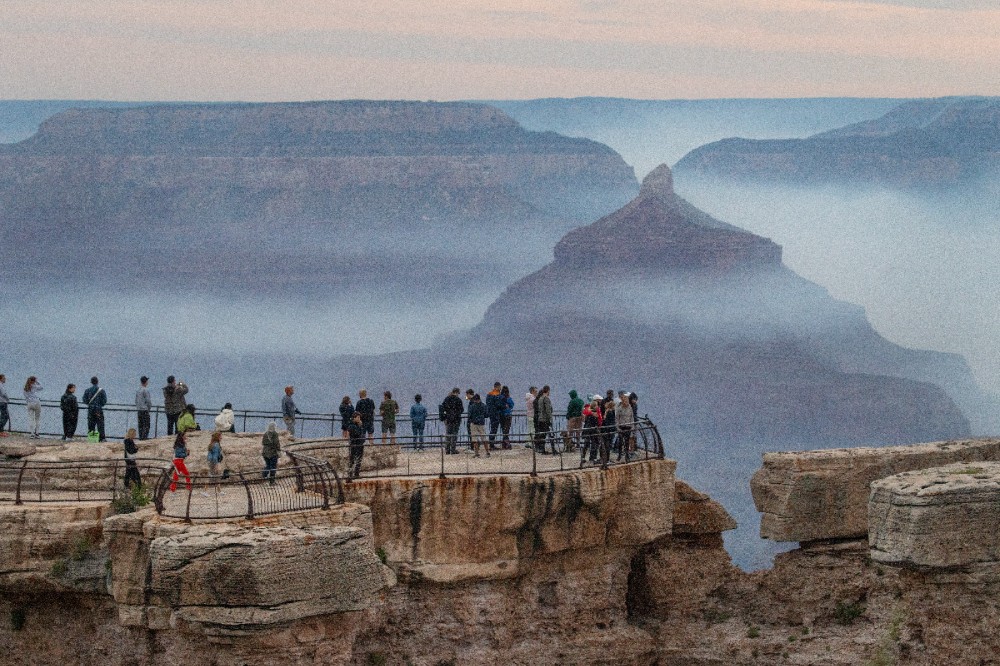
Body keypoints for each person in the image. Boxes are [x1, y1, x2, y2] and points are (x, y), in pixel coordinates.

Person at [581, 397, 604, 466]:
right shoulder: (594, 414)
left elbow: (585, 419)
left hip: (587, 430)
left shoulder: (588, 413)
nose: (598, 406)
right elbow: (597, 423)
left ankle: (583, 457)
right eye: (596, 405)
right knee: (594, 444)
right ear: (594, 406)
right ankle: (593, 458)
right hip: (593, 430)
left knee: (586, 444)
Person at [441, 388, 464, 454]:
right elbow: (461, 410)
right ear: (457, 392)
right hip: (456, 419)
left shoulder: (447, 399)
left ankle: (447, 450)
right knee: (454, 435)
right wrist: (456, 413)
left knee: (448, 434)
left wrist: (446, 415)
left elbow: (442, 408)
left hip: (448, 419)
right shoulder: (458, 400)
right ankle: (453, 449)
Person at [467, 393, 488, 457]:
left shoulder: (472, 406)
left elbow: (469, 415)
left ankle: (476, 453)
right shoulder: (484, 406)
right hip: (481, 423)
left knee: (474, 439)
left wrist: (472, 420)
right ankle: (487, 452)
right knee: (484, 438)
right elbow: (486, 415)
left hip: (474, 424)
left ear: (474, 400)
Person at [615, 392, 634, 462]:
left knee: (627, 442)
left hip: (628, 426)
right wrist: (617, 428)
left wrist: (632, 426)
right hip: (621, 426)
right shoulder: (619, 408)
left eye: (627, 401)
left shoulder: (630, 408)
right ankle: (619, 455)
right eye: (625, 401)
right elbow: (617, 418)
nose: (626, 402)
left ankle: (627, 456)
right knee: (620, 442)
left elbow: (632, 417)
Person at [534, 385, 553, 454]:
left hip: (540, 419)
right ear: (548, 390)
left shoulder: (540, 398)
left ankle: (540, 448)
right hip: (545, 419)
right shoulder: (546, 399)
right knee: (545, 435)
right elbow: (548, 410)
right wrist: (550, 419)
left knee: (542, 434)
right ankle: (543, 449)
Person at [347, 412, 366, 479]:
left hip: (360, 444)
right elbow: (356, 433)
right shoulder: (351, 425)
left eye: (359, 417)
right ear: (354, 418)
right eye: (358, 417)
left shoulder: (358, 425)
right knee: (352, 460)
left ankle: (356, 473)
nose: (359, 419)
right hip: (355, 444)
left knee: (359, 459)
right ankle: (350, 474)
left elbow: (362, 433)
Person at [485, 382, 503, 451]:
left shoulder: (489, 394)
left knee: (492, 429)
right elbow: (499, 405)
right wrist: (504, 406)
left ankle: (491, 444)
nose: (500, 388)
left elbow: (487, 404)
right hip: (496, 414)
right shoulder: (497, 395)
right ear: (497, 387)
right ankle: (492, 445)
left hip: (491, 414)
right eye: (500, 387)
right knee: (494, 429)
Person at [601, 398, 617, 469]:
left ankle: (604, 458)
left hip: (606, 430)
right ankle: (607, 459)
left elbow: (606, 421)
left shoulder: (606, 412)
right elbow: (612, 421)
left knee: (605, 445)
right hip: (610, 430)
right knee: (608, 445)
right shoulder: (611, 412)